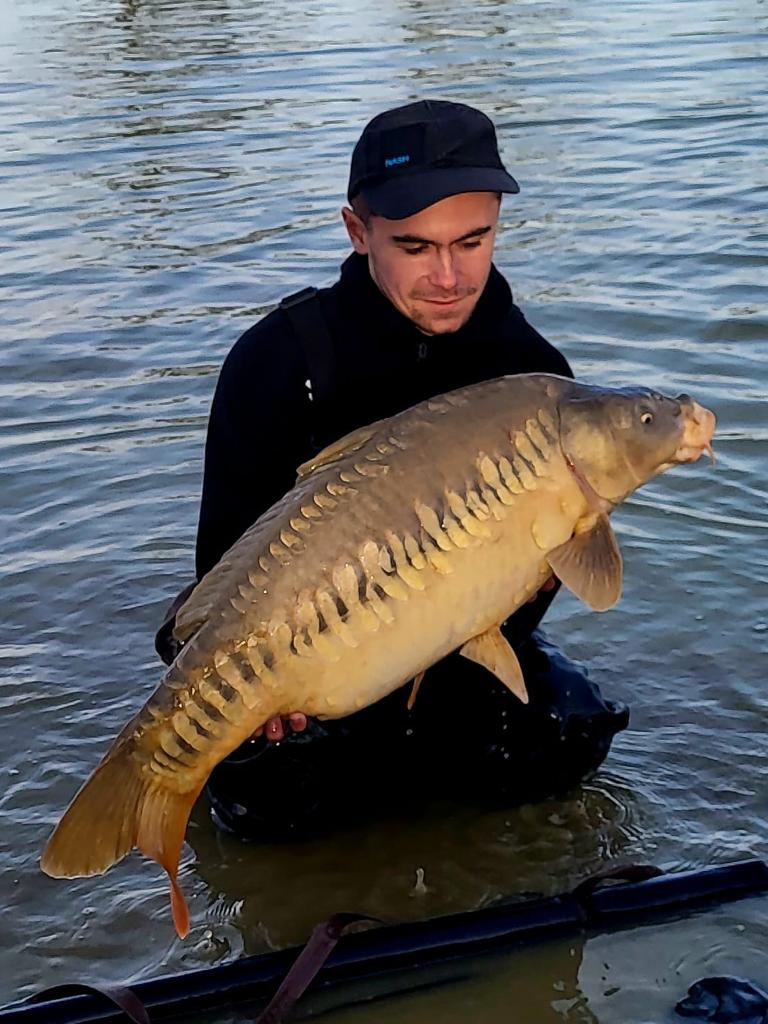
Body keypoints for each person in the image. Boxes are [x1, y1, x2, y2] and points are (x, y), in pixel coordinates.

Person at [156, 99, 629, 840]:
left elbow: (518, 604)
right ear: (358, 231)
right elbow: (222, 573)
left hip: (450, 649)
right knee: (273, 800)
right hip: (308, 661)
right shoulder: (274, 363)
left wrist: (535, 580)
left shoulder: (534, 375)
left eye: (472, 241)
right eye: (415, 247)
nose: (448, 276)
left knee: (566, 735)